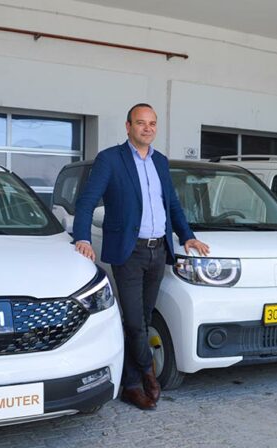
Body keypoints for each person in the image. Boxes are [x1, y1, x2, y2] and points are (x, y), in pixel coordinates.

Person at [72, 103, 210, 410]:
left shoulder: (160, 161)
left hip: (158, 250)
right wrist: (82, 238)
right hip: (129, 251)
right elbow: (87, 202)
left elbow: (171, 205)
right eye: (140, 123)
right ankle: (148, 372)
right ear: (128, 126)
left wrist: (187, 235)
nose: (147, 128)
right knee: (134, 321)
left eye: (152, 123)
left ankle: (131, 385)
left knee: (144, 320)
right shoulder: (111, 159)